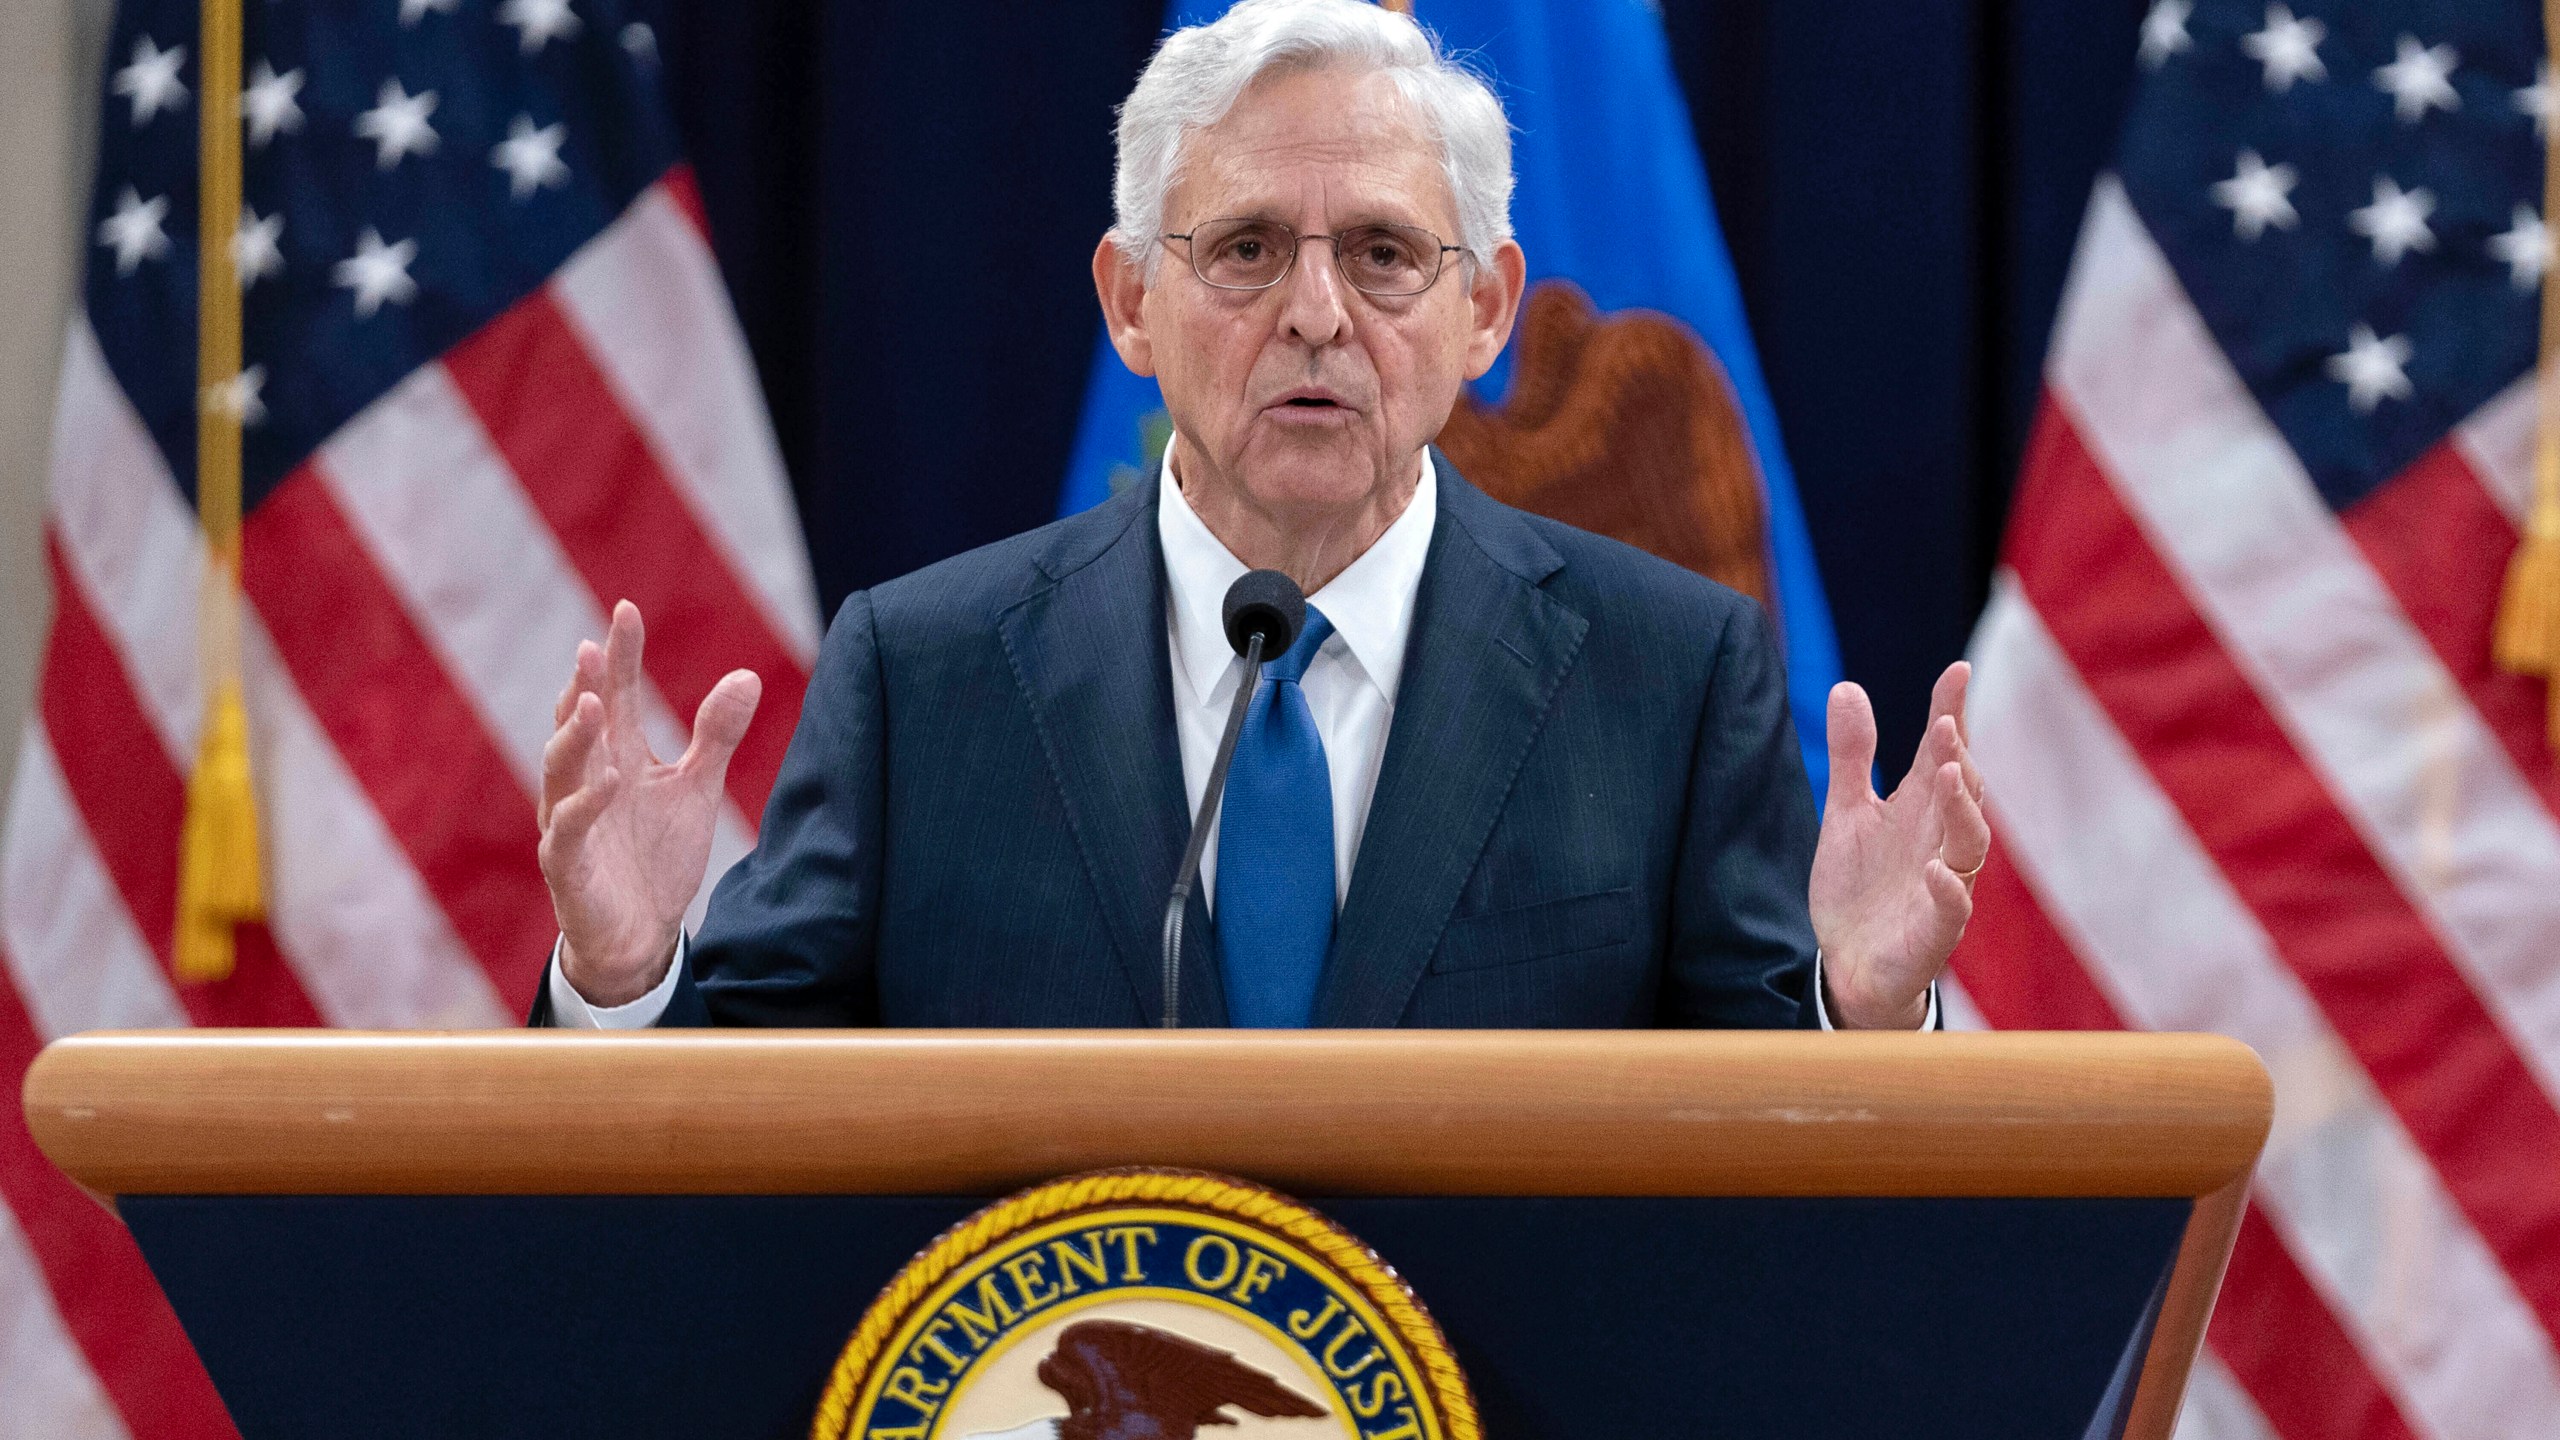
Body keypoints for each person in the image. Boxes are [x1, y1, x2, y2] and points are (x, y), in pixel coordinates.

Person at [532, 0, 1987, 1032]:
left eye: (1382, 254)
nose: (1314, 316)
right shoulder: (927, 677)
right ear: (1129, 304)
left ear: (1483, 308)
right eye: (1241, 250)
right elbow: (747, 1141)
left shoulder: (1667, 677)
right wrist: (623, 982)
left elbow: (1770, 1170)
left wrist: (1861, 1010)